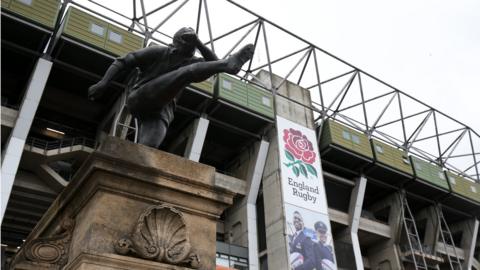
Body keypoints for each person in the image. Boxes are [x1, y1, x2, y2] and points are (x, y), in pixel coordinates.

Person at [88, 27, 254, 148]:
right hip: (141, 96)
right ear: (177, 44)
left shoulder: (192, 61)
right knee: (186, 72)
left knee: (147, 147)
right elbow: (124, 60)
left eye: (192, 48)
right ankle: (229, 63)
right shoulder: (160, 52)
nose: (190, 51)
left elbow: (212, 64)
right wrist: (103, 83)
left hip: (161, 111)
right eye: (187, 45)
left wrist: (199, 42)